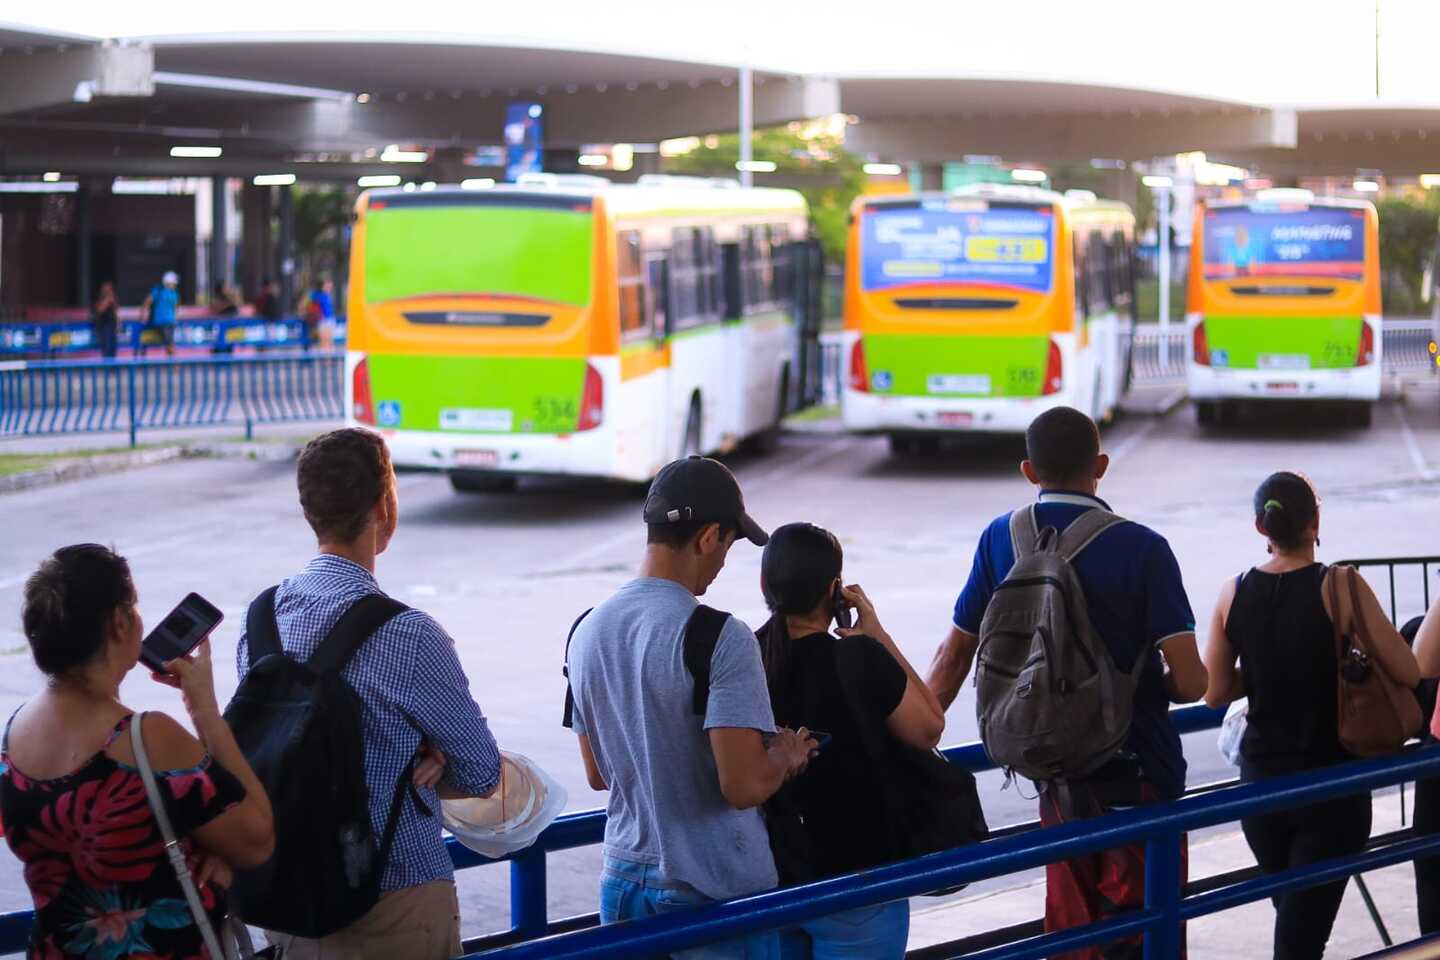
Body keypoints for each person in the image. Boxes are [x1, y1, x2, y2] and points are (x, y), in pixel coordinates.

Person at [926, 406, 1207, 960]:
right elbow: (1193, 681)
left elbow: (954, 654)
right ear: (1101, 465)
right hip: (1138, 772)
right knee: (1145, 934)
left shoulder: (999, 539)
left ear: (1028, 471)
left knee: (1073, 940)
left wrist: (917, 739)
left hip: (1054, 778)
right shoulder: (1143, 548)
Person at [239, 428, 502, 959]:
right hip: (394, 898)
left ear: (309, 509)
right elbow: (481, 772)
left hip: (288, 901)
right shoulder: (408, 634)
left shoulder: (261, 622)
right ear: (386, 506)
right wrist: (433, 756)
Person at [565, 456, 816, 960]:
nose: (725, 561)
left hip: (623, 882)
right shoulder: (721, 637)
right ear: (708, 537)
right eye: (728, 543)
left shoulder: (585, 630)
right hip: (710, 889)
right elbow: (742, 786)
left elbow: (597, 773)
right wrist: (786, 757)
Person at [2, 544, 274, 959]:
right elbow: (257, 839)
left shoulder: (14, 733)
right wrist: (204, 710)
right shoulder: (147, 739)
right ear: (119, 622)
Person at [1203, 471, 1418, 960]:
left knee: (1297, 933)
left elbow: (1214, 692)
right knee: (1301, 941)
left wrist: (1263, 668)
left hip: (1260, 791)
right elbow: (1405, 669)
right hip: (1332, 791)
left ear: (1261, 528)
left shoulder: (1232, 591)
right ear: (1315, 522)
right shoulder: (1340, 585)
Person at [755, 522, 945, 960]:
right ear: (835, 590)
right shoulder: (858, 656)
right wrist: (877, 633)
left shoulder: (745, 656)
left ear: (765, 584)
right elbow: (929, 726)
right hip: (859, 880)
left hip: (772, 882)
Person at [140, 270, 180, 357]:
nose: (175, 284)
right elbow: (147, 302)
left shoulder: (174, 293)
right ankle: (174, 363)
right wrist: (142, 315)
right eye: (173, 282)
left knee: (170, 342)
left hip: (170, 322)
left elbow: (176, 308)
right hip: (161, 322)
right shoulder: (158, 290)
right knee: (170, 343)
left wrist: (175, 319)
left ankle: (172, 361)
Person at [92, 281, 119, 358]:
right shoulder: (99, 298)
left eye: (110, 288)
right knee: (106, 346)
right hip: (103, 325)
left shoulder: (113, 297)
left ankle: (113, 365)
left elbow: (116, 311)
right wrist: (107, 301)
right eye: (107, 288)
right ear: (103, 288)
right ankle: (106, 365)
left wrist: (118, 324)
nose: (109, 290)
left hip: (112, 324)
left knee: (113, 346)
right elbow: (100, 310)